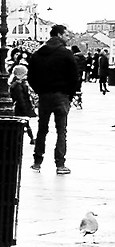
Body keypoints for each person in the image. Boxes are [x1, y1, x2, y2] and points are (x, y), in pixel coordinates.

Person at [26, 22, 83, 173]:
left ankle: (37, 161)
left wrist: (40, 90)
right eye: (66, 34)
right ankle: (60, 164)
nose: (68, 37)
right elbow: (74, 77)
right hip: (61, 96)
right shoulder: (66, 53)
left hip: (44, 96)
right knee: (61, 131)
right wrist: (69, 95)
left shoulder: (37, 54)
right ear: (59, 35)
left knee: (42, 129)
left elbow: (30, 76)